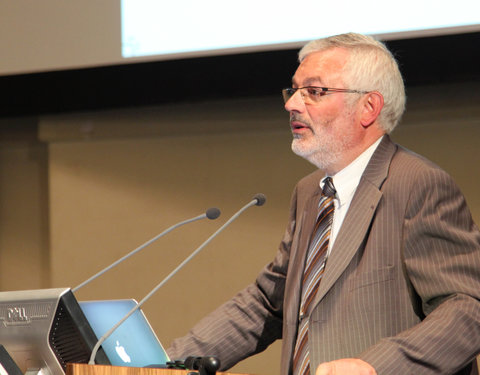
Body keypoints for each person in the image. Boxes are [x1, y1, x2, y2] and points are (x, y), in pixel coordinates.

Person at [166, 33, 480, 375]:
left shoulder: (418, 184)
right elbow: (268, 303)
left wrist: (374, 366)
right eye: (294, 90)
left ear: (369, 107)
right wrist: (165, 363)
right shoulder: (309, 193)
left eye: (314, 92)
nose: (291, 104)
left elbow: (467, 306)